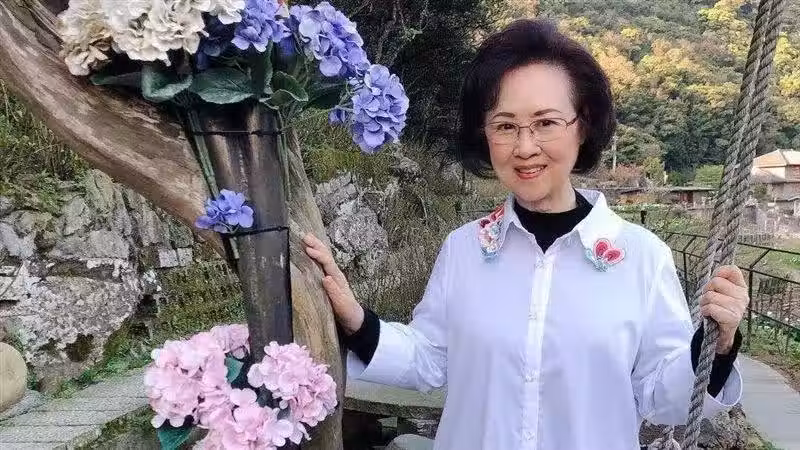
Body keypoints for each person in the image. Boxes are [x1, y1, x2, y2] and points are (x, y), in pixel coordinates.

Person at [303, 19, 748, 450]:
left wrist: (719, 344)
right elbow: (430, 358)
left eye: (546, 122)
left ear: (583, 125)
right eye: (505, 125)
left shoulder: (642, 257)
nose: (525, 147)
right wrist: (356, 320)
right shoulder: (464, 249)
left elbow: (665, 397)